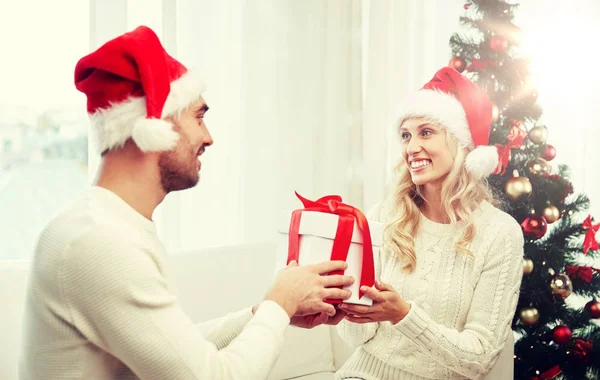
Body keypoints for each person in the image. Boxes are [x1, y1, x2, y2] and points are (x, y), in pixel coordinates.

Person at [19, 25, 353, 380]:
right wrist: (280, 302)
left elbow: (179, 352)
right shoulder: (101, 242)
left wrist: (266, 312)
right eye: (199, 116)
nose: (208, 137)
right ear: (154, 124)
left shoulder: (108, 225)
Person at [334, 66, 525, 380]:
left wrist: (404, 316)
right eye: (406, 135)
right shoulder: (384, 215)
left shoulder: (500, 234)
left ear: (461, 143)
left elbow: (479, 358)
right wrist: (350, 306)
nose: (411, 148)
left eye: (426, 132)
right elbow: (356, 339)